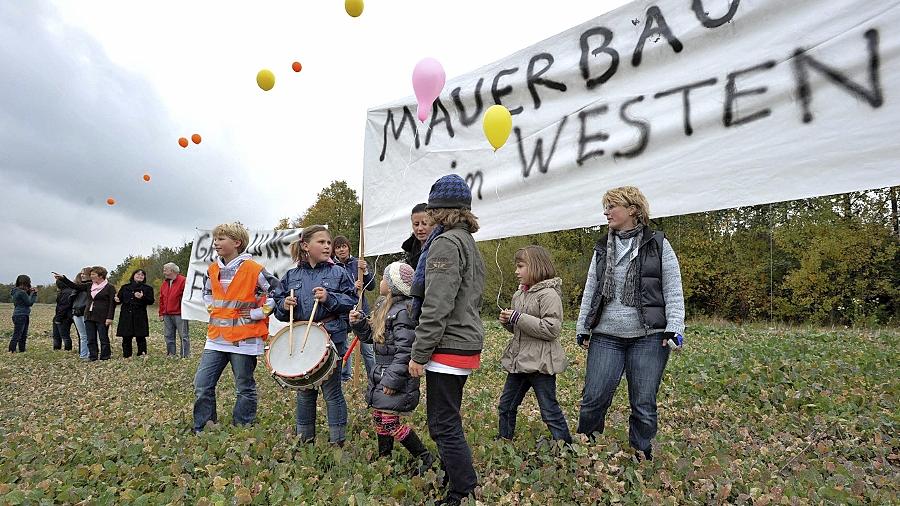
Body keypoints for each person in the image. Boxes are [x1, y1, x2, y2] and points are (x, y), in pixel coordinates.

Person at [575, 186, 685, 461]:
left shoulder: (658, 244)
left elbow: (672, 289)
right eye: (606, 207)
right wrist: (582, 327)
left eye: (612, 206)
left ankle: (641, 451)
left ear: (633, 210)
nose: (606, 212)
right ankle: (587, 447)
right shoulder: (602, 247)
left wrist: (675, 328)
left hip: (648, 336)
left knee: (643, 401)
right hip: (606, 335)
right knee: (594, 398)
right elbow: (591, 288)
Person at [408, 174, 484, 506]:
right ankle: (454, 477)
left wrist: (419, 353)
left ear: (440, 210)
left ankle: (462, 491)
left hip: (448, 345)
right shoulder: (467, 241)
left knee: (443, 423)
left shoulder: (445, 244)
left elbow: (437, 305)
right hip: (462, 341)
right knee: (443, 419)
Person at [272, 225, 357, 446]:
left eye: (329, 242)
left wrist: (330, 298)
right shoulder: (291, 276)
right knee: (305, 392)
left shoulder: (338, 272)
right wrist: (284, 305)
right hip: (302, 340)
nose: (327, 246)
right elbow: (279, 310)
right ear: (305, 246)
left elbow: (351, 302)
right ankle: (304, 440)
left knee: (332, 392)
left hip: (330, 339)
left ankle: (337, 442)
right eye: (321, 242)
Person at [349, 262, 434, 473]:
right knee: (379, 417)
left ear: (394, 285)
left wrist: (392, 380)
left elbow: (405, 351)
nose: (381, 281)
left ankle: (425, 457)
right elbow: (372, 337)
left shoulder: (403, 312)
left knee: (389, 421)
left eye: (385, 278)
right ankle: (384, 458)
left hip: (395, 375)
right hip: (381, 372)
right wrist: (359, 323)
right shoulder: (383, 306)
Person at [193, 223, 278, 432]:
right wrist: (210, 306)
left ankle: (243, 426)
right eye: (215, 239)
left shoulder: (254, 269)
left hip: (244, 341)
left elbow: (277, 292)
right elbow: (206, 292)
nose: (216, 243)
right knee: (202, 385)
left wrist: (259, 313)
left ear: (237, 243)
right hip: (216, 338)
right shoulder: (212, 269)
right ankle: (204, 426)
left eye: (221, 239)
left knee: (244, 387)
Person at [497, 245, 572, 444]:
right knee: (506, 405)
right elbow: (521, 330)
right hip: (519, 361)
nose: (516, 271)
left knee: (549, 410)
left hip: (541, 364)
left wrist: (518, 318)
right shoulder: (518, 295)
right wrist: (508, 323)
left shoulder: (549, 295)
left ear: (536, 266)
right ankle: (504, 442)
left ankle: (566, 447)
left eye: (521, 266)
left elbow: (551, 329)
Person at [332, 234, 375, 381]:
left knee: (367, 348)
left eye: (343, 246)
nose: (341, 250)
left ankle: (373, 376)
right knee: (344, 347)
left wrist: (366, 271)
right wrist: (352, 287)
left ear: (348, 247)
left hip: (362, 309)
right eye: (338, 248)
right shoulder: (333, 268)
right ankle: (345, 376)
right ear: (334, 251)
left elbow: (372, 286)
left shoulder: (358, 263)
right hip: (344, 311)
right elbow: (334, 291)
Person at [57, 267, 116, 360]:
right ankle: (93, 356)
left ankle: (105, 357)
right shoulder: (89, 285)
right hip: (89, 315)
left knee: (103, 338)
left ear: (101, 276)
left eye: (93, 274)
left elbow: (112, 304)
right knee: (91, 338)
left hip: (102, 316)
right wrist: (63, 278)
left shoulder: (110, 287)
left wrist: (110, 317)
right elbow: (75, 286)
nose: (91, 276)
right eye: (91, 274)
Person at [115, 269, 155, 357]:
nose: (140, 276)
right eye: (138, 274)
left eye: (142, 275)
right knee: (126, 337)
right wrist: (116, 300)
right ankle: (127, 355)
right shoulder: (125, 287)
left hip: (139, 315)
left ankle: (142, 354)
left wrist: (142, 297)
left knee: (140, 336)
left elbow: (151, 301)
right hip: (126, 315)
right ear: (133, 275)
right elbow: (119, 300)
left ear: (144, 277)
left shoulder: (147, 288)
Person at [159, 262, 190, 357]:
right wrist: (161, 313)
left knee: (183, 336)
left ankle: (185, 355)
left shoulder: (184, 280)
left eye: (165, 269)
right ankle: (171, 354)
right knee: (168, 335)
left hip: (180, 313)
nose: (164, 271)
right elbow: (161, 299)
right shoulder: (164, 283)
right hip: (167, 314)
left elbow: (187, 296)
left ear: (172, 270)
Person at [67, 268, 92, 359]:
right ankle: (83, 354)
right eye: (81, 274)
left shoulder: (92, 286)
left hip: (86, 313)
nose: (82, 275)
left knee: (90, 335)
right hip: (76, 313)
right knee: (82, 336)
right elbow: (71, 301)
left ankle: (90, 354)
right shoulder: (77, 288)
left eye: (84, 274)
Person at [9, 275, 37, 353]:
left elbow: (23, 299)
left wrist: (29, 292)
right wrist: (33, 294)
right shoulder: (22, 292)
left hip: (17, 314)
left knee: (20, 334)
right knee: (19, 335)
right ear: (27, 282)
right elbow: (29, 302)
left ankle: (20, 350)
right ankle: (12, 350)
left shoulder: (15, 291)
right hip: (22, 315)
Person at [401, 203, 434, 269]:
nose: (420, 228)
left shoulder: (440, 245)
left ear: (434, 223)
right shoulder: (410, 246)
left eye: (424, 224)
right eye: (416, 224)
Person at [52, 277, 76, 351]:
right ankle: (61, 349)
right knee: (61, 335)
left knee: (63, 335)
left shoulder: (65, 292)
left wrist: (58, 318)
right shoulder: (69, 291)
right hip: (66, 315)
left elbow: (63, 306)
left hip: (64, 316)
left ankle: (65, 349)